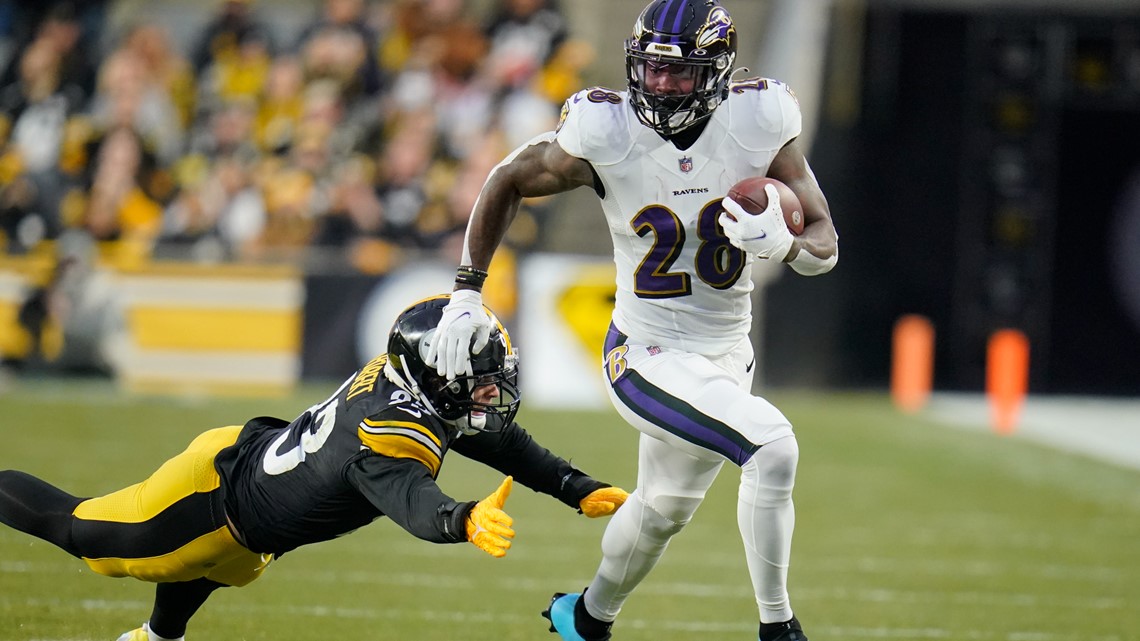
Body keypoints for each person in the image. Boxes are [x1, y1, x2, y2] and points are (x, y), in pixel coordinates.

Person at [425, 1, 838, 640]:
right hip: (645, 353)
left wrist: (784, 247)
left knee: (662, 510)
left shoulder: (758, 122)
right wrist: (466, 291)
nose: (661, 86)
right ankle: (779, 630)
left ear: (719, 73)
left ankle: (585, 617)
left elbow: (824, 243)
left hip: (727, 352)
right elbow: (508, 178)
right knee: (772, 445)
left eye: (680, 74)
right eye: (650, 70)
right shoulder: (605, 130)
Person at [0, 295, 629, 641]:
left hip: (253, 491)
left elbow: (494, 441)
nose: (491, 397)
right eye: (479, 386)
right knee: (88, 536)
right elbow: (410, 500)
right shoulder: (386, 432)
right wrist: (462, 519)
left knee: (220, 569)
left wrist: (575, 486)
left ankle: (158, 639)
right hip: (214, 498)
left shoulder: (411, 388)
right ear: (435, 381)